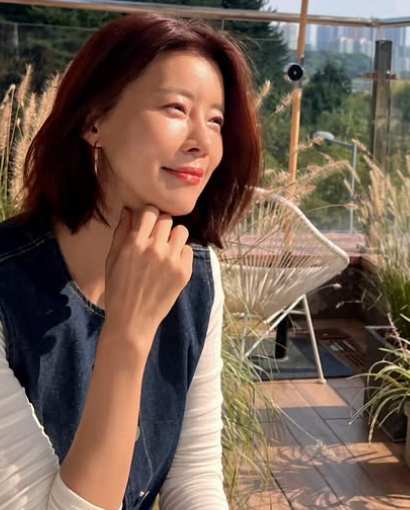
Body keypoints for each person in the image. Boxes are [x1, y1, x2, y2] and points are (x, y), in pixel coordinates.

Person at [0, 12, 261, 510]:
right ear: (94, 121)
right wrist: (126, 334)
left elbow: (194, 477)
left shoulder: (194, 271)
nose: (202, 142)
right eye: (176, 108)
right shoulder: (8, 288)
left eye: (215, 120)